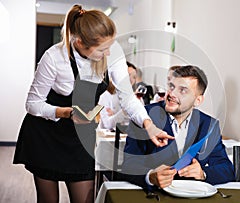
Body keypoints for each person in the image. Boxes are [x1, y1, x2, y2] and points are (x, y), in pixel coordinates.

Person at [13, 5, 172, 203]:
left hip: (80, 138)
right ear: (79, 42)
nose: (108, 54)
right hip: (47, 134)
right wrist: (67, 113)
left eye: (110, 47)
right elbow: (33, 104)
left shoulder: (112, 52)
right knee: (48, 200)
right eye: (102, 49)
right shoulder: (55, 57)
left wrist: (149, 125)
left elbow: (128, 98)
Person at [121, 65, 235, 190]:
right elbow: (129, 165)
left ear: (197, 100)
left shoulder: (209, 125)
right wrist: (150, 177)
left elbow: (226, 168)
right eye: (171, 87)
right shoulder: (144, 118)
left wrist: (203, 173)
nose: (172, 94)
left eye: (183, 90)